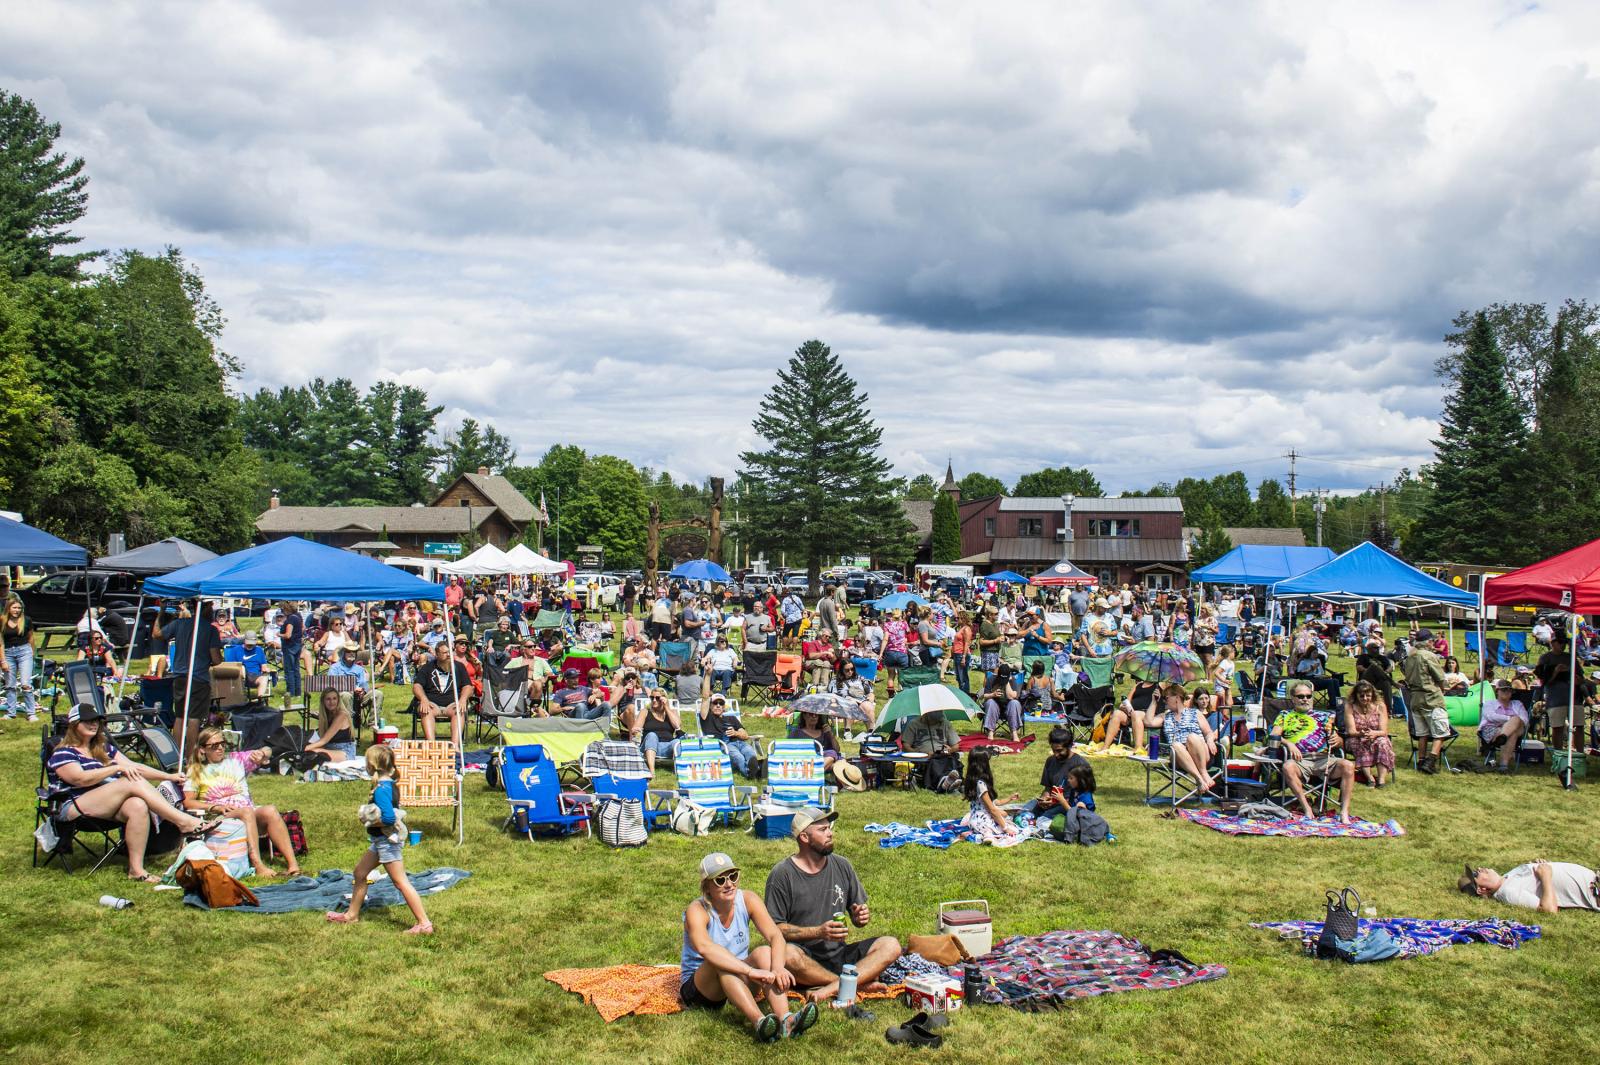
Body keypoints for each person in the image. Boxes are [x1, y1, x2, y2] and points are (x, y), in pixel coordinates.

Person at [46, 701, 216, 883]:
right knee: (128, 781)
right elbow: (79, 779)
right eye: (87, 721)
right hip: (72, 807)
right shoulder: (63, 752)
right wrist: (113, 769)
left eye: (96, 720)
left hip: (104, 805)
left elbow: (134, 767)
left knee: (137, 805)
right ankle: (183, 821)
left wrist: (169, 776)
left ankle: (136, 870)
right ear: (73, 725)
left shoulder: (102, 749)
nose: (93, 724)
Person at [763, 807, 902, 1004]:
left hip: (840, 955)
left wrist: (860, 917)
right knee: (785, 954)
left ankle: (832, 987)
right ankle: (852, 984)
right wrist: (818, 932)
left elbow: (858, 917)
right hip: (804, 959)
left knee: (891, 945)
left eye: (829, 828)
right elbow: (775, 930)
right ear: (804, 837)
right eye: (822, 830)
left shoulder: (842, 865)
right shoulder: (782, 875)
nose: (830, 833)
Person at [682, 852, 812, 1042]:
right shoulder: (697, 910)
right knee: (719, 961)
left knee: (764, 952)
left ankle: (786, 1019)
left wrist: (777, 967)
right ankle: (759, 1022)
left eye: (733, 876)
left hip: (737, 980)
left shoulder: (748, 899)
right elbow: (705, 949)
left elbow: (775, 935)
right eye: (720, 880)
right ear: (707, 887)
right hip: (701, 989)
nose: (729, 884)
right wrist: (750, 971)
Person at [325, 744, 433, 934]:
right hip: (380, 841)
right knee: (359, 873)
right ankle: (351, 915)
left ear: (371, 765)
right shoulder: (389, 784)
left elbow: (389, 818)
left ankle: (424, 923)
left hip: (387, 842)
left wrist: (368, 820)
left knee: (400, 882)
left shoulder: (382, 789)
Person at [182, 727, 301, 879]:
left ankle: (293, 865)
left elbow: (269, 750)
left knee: (270, 810)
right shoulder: (196, 770)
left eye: (222, 744)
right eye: (214, 745)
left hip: (248, 813)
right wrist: (215, 807)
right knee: (246, 811)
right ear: (202, 749)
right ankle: (258, 865)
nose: (220, 748)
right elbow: (188, 802)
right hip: (221, 817)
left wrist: (262, 753)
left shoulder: (236, 760)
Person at [1272, 683, 1357, 823]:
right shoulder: (1285, 715)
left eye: (1308, 696)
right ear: (1292, 698)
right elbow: (1274, 735)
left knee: (1348, 765)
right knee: (1288, 766)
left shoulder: (1325, 716)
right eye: (1300, 696)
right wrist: (1289, 743)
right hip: (1300, 761)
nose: (1305, 699)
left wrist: (1339, 740)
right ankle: (1307, 808)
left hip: (1325, 759)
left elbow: (1340, 742)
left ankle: (1344, 812)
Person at [1459, 860, 1600, 913]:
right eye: (1476, 874)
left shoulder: (1507, 878)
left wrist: (1539, 864)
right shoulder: (1507, 893)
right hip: (1595, 891)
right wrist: (1546, 877)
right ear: (1481, 889)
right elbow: (1548, 910)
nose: (1480, 868)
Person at [1402, 628, 1450, 774]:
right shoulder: (1429, 656)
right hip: (1431, 697)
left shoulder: (1410, 655)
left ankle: (1421, 760)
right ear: (1428, 642)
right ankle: (1431, 761)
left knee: (1422, 732)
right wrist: (1445, 688)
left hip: (1415, 697)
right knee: (1441, 732)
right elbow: (1440, 677)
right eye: (1432, 640)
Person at [1151, 687, 1218, 793]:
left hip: (1200, 754)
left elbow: (1209, 733)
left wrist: (1210, 740)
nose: (1164, 700)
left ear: (1176, 698)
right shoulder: (1165, 717)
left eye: (1166, 698)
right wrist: (1154, 701)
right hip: (1179, 758)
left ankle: (1203, 772)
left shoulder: (1195, 713)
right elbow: (1148, 722)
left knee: (1192, 737)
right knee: (1176, 745)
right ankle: (1199, 778)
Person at [412, 640, 471, 746]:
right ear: (437, 654)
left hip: (452, 704)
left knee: (459, 710)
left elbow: (468, 686)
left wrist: (462, 700)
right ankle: (432, 745)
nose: (448, 655)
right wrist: (423, 699)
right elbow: (417, 686)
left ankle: (455, 746)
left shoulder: (459, 667)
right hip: (432, 703)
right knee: (425, 710)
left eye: (450, 652)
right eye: (445, 653)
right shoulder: (428, 668)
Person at [961, 748, 1021, 843]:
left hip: (975, 819)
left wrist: (1009, 799)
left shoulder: (972, 781)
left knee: (1004, 814)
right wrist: (1005, 828)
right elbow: (992, 810)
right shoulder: (981, 784)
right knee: (1014, 829)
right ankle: (984, 836)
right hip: (983, 821)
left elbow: (995, 802)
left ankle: (985, 834)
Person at [1343, 679, 1395, 787]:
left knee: (1383, 743)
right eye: (1361, 696)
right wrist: (1361, 734)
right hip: (1356, 737)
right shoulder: (1349, 706)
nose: (1365, 698)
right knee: (1360, 742)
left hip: (1377, 735)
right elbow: (1351, 731)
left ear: (1372, 695)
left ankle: (1381, 780)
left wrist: (1374, 733)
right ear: (1356, 695)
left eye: (1368, 695)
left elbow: (1384, 731)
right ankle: (1369, 778)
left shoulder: (1380, 706)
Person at [702, 691, 763, 778]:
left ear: (724, 707)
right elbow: (704, 698)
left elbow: (745, 735)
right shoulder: (707, 718)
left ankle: (757, 770)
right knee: (739, 757)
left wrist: (736, 733)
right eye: (715, 703)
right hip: (725, 745)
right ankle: (750, 773)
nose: (718, 705)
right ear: (710, 705)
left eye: (721, 703)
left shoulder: (732, 718)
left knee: (750, 753)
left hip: (741, 743)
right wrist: (707, 677)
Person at [901, 706, 961, 790]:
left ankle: (946, 781)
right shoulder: (914, 724)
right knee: (934, 761)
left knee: (948, 759)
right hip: (923, 758)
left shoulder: (946, 724)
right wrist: (918, 753)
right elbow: (906, 745)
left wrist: (950, 750)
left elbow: (956, 746)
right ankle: (945, 781)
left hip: (942, 755)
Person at [1478, 679, 1529, 773]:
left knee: (1517, 720)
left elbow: (1525, 719)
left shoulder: (1517, 704)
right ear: (1497, 691)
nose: (1507, 692)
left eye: (1509, 690)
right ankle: (1503, 765)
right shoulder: (1489, 703)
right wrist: (1510, 720)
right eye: (1503, 690)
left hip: (1513, 730)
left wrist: (1512, 722)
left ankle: (1502, 737)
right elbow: (1491, 717)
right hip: (1492, 729)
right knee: (1513, 732)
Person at [629, 689, 681, 774]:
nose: (654, 700)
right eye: (652, 697)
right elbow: (635, 728)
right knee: (652, 735)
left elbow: (677, 726)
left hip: (667, 746)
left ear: (664, 699)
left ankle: (679, 771)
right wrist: (636, 731)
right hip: (648, 747)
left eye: (657, 698)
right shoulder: (645, 712)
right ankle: (652, 771)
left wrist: (666, 707)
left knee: (677, 741)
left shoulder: (672, 712)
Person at [2, 598, 38, 720]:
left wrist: (33, 653)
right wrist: (2, 660)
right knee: (10, 685)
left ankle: (31, 713)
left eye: (19, 608)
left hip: (24, 651)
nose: (17, 610)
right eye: (14, 607)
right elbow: (0, 642)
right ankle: (11, 712)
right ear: (8, 608)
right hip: (7, 653)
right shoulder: (2, 621)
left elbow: (31, 638)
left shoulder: (26, 620)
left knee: (25, 683)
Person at [306, 688, 357, 762]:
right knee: (310, 752)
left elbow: (323, 740)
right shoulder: (327, 714)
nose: (331, 702)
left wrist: (305, 748)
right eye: (328, 699)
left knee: (312, 753)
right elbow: (320, 737)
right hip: (330, 748)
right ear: (323, 701)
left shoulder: (342, 715)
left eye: (334, 698)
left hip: (344, 751)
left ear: (338, 700)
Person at [981, 663, 1023, 740]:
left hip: (1009, 708)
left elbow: (1013, 696)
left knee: (1015, 703)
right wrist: (993, 694)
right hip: (995, 707)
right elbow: (984, 695)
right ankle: (990, 732)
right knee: (990, 702)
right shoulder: (991, 679)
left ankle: (1014, 733)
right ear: (998, 675)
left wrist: (1006, 682)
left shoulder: (1012, 680)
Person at [879, 610, 911, 696]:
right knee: (903, 675)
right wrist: (904, 619)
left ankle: (891, 694)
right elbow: (908, 632)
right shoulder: (904, 624)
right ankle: (903, 693)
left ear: (892, 616)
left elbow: (885, 639)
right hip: (902, 652)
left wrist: (881, 653)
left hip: (890, 652)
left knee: (890, 675)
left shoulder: (887, 625)